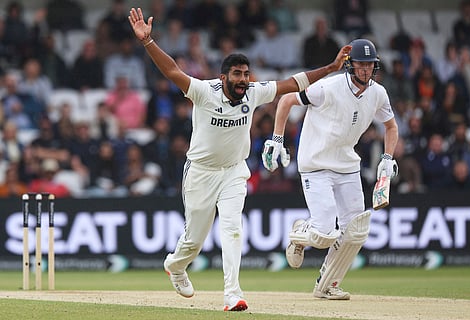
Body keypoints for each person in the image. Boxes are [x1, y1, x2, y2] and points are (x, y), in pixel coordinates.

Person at [128, 7, 351, 311]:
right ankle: (175, 265)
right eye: (237, 74)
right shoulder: (205, 91)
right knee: (194, 240)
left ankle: (232, 294)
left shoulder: (253, 93)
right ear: (224, 77)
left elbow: (292, 83)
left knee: (233, 229)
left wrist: (331, 67)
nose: (244, 79)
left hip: (234, 171)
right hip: (201, 173)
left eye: (246, 74)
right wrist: (147, 42)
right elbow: (172, 72)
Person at [262, 39, 398, 300]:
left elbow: (391, 127)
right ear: (351, 65)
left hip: (347, 165)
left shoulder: (378, 93)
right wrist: (277, 139)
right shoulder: (328, 88)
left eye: (370, 65)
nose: (365, 70)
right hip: (315, 164)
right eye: (361, 64)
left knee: (355, 231)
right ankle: (300, 233)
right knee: (324, 233)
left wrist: (387, 157)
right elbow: (287, 100)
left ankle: (327, 285)